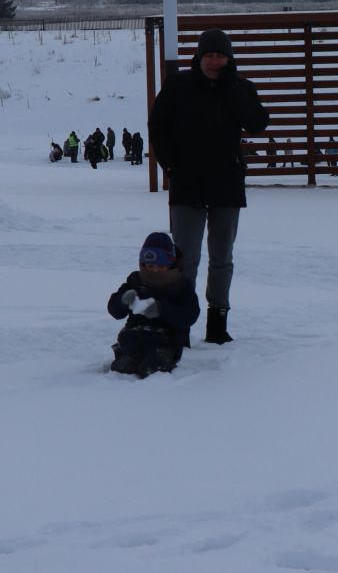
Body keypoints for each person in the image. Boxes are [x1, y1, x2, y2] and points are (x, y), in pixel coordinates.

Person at [149, 27, 270, 345]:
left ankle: (218, 323)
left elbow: (257, 122)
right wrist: (172, 165)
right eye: (210, 55)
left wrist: (231, 87)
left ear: (229, 59)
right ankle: (181, 324)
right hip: (188, 186)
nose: (215, 62)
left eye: (221, 56)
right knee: (185, 259)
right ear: (199, 57)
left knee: (222, 258)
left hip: (226, 186)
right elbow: (157, 126)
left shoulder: (241, 88)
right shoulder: (178, 87)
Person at [106, 231, 201, 377]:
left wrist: (161, 309)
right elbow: (115, 312)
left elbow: (190, 315)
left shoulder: (181, 284)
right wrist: (123, 300)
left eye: (160, 266)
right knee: (123, 367)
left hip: (167, 340)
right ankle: (127, 357)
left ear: (171, 262)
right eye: (150, 266)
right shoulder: (135, 280)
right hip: (135, 336)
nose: (154, 270)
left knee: (151, 368)